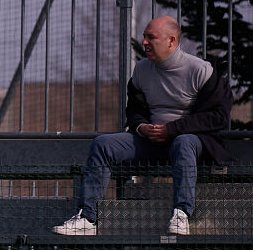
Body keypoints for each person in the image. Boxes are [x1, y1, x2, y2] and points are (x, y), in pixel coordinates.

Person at [54, 16, 234, 237]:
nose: (145, 42)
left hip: (188, 143)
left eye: (151, 37)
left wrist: (172, 129)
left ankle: (182, 213)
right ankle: (88, 218)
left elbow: (217, 117)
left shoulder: (201, 70)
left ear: (172, 41)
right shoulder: (141, 70)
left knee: (184, 142)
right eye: (144, 37)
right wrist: (141, 127)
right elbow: (134, 110)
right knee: (103, 144)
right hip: (150, 142)